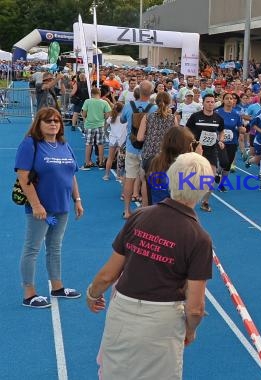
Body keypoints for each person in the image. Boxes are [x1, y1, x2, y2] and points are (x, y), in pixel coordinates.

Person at [86, 152, 213, 380]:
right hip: (162, 321)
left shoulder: (140, 216)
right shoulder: (199, 238)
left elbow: (108, 274)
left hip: (122, 310)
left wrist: (92, 293)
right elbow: (195, 307)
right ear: (204, 188)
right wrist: (191, 329)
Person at [14, 107, 84, 308]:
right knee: (32, 248)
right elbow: (23, 176)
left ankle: (57, 286)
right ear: (39, 123)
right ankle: (29, 294)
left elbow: (72, 174)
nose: (53, 123)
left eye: (56, 120)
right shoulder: (31, 144)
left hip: (62, 206)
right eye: (48, 121)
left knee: (55, 246)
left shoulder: (64, 145)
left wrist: (77, 200)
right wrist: (36, 205)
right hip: (41, 209)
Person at [120, 80, 157, 219]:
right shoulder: (154, 109)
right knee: (145, 179)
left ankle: (127, 210)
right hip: (147, 149)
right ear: (151, 93)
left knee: (129, 178)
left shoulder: (128, 106)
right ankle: (145, 210)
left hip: (131, 147)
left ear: (138, 91)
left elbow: (122, 120)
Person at [186, 93, 225, 212]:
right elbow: (186, 129)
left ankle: (205, 202)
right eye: (208, 102)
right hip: (196, 149)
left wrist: (221, 140)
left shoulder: (218, 118)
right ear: (203, 103)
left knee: (211, 178)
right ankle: (187, 201)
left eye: (212, 102)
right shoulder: (195, 116)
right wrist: (192, 141)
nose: (210, 104)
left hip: (211, 150)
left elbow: (221, 131)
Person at [81, 87, 112, 170]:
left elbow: (83, 114)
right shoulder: (104, 102)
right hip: (100, 125)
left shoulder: (87, 101)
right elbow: (109, 113)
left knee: (89, 144)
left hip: (89, 125)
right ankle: (101, 163)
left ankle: (87, 162)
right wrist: (103, 117)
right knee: (100, 144)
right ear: (99, 93)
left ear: (91, 93)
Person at [103, 102, 128, 181]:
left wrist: (107, 135)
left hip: (113, 139)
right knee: (119, 158)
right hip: (122, 140)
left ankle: (106, 175)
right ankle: (118, 175)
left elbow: (105, 127)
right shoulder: (125, 118)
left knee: (110, 158)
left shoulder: (111, 117)